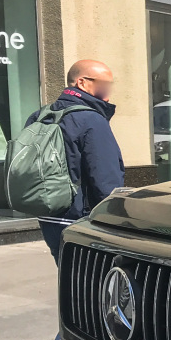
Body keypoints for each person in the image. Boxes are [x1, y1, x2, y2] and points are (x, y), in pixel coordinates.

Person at [27, 59, 125, 263]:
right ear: (82, 82)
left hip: (49, 216)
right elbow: (105, 179)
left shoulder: (40, 115)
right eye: (103, 84)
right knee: (92, 286)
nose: (108, 91)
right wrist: (116, 221)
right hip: (82, 220)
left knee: (68, 279)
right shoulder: (91, 120)